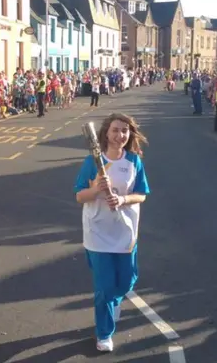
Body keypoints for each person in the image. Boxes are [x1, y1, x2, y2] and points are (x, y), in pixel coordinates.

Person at [74, 113, 150, 353]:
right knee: (105, 286)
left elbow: (142, 194)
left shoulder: (134, 162)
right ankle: (104, 333)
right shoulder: (92, 162)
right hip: (98, 232)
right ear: (106, 133)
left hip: (125, 230)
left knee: (127, 281)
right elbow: (79, 196)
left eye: (125, 131)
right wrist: (96, 189)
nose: (121, 135)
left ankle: (114, 301)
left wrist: (123, 198)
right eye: (116, 130)